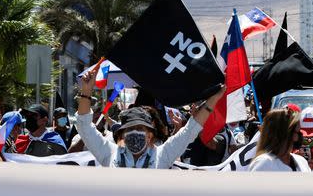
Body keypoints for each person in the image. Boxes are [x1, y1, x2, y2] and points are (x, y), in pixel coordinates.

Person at [75, 64, 225, 168]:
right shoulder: (108, 154)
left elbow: (190, 130)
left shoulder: (163, 156)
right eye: (131, 128)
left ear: (151, 134)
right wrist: (86, 92)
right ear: (121, 134)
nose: (136, 132)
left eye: (141, 128)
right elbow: (84, 127)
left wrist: (215, 98)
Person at [249, 107, 310, 172]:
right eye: (298, 132)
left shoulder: (301, 161)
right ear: (285, 134)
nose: (300, 135)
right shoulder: (264, 164)